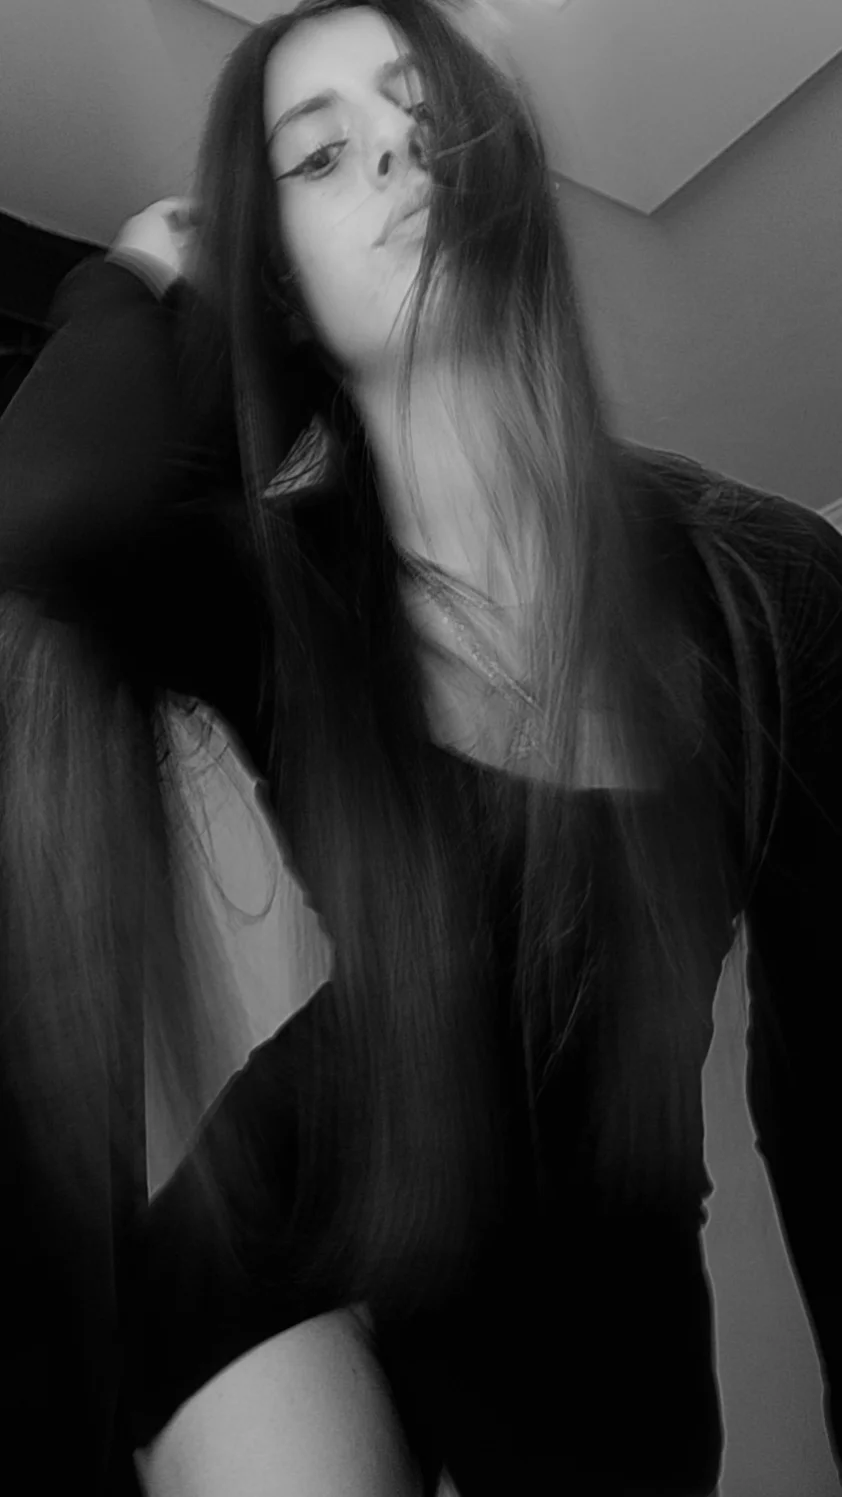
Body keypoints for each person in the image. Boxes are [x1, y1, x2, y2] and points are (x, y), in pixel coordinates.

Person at [0, 1, 840, 1493]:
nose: (395, 152)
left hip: (601, 1327)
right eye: (319, 156)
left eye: (423, 109)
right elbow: (44, 519)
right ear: (280, 279)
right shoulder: (269, 587)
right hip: (291, 1224)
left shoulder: (771, 591)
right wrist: (136, 278)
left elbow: (834, 1093)